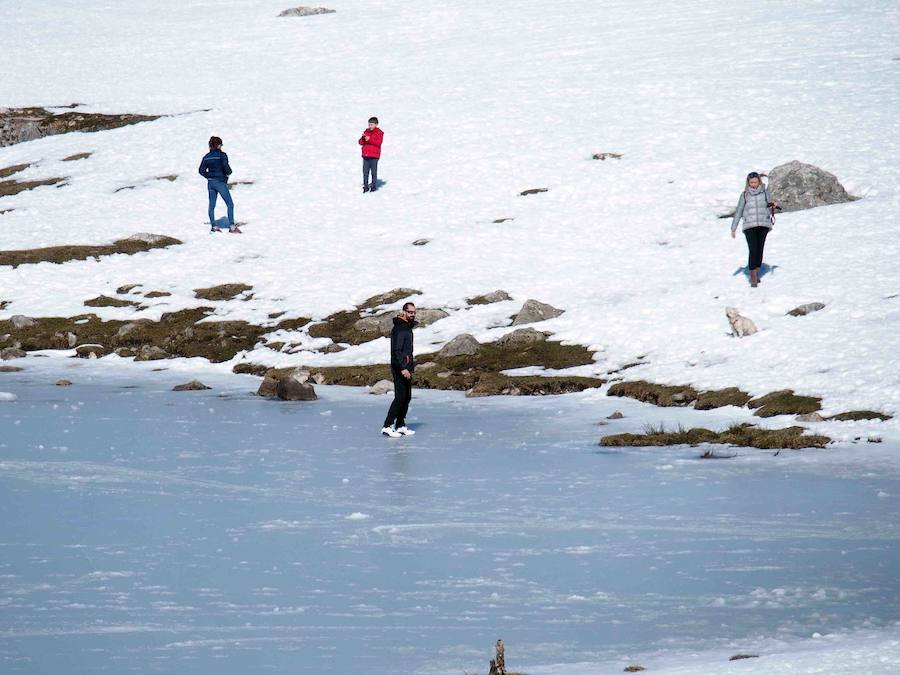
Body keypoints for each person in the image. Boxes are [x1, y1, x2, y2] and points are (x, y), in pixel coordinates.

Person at [731, 171, 776, 287]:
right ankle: (753, 276)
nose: (753, 184)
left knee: (760, 249)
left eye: (755, 182)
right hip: (749, 226)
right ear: (748, 183)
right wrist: (733, 228)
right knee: (753, 249)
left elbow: (770, 203)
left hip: (763, 224)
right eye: (751, 182)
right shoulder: (745, 195)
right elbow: (739, 211)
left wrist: (773, 205)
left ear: (759, 182)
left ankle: (757, 270)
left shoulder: (765, 193)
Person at [382, 302, 417, 437]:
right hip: (399, 367)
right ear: (404, 312)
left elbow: (407, 351)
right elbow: (396, 351)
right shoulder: (399, 328)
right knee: (400, 397)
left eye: (414, 312)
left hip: (406, 367)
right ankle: (387, 425)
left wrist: (409, 367)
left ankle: (400, 424)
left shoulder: (407, 328)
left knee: (407, 397)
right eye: (410, 312)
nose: (412, 314)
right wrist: (402, 368)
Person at [198, 136, 240, 233]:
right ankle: (232, 227)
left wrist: (209, 175)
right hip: (220, 182)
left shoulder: (206, 157)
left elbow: (201, 170)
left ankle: (214, 226)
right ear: (219, 145)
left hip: (210, 183)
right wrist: (228, 172)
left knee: (212, 205)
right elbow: (225, 166)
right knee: (230, 204)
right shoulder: (222, 155)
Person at [358, 117, 383, 193]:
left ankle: (373, 187)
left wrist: (370, 139)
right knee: (365, 172)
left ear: (376, 124)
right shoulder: (366, 131)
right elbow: (360, 142)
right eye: (369, 124)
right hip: (365, 155)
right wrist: (363, 138)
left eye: (371, 124)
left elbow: (378, 143)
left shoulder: (379, 133)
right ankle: (365, 187)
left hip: (374, 156)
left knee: (373, 172)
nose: (370, 126)